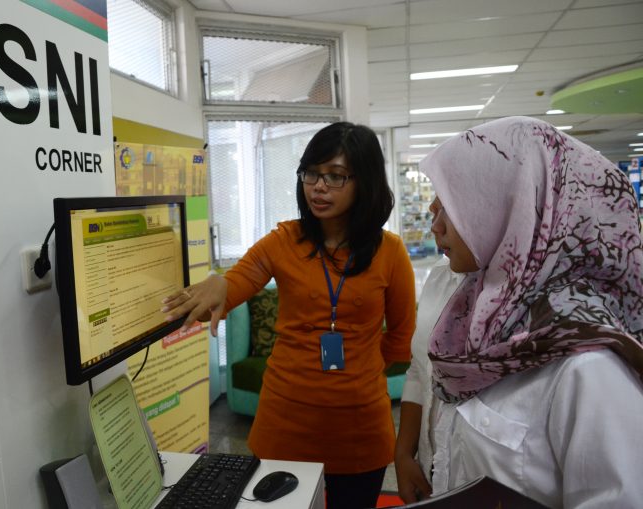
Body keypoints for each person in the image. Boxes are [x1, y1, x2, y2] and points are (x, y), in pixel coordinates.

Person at [162, 121, 417, 509]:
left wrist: (358, 373)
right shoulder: (284, 241)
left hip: (360, 428)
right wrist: (219, 285)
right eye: (311, 173)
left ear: (364, 181)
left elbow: (400, 339)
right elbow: (239, 280)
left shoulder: (390, 252)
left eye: (335, 176)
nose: (318, 187)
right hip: (285, 423)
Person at [418, 116, 643, 507]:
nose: (435, 226)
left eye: (452, 206)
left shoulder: (588, 366)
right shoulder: (481, 316)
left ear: (514, 209)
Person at [394, 255, 463, 503]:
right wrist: (404, 453)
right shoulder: (441, 273)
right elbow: (419, 369)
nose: (437, 234)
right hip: (431, 468)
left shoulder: (525, 293)